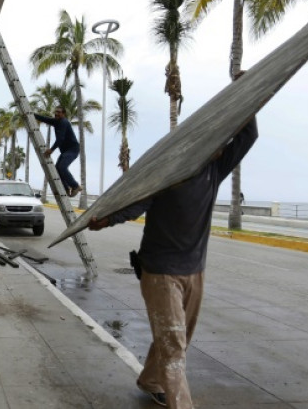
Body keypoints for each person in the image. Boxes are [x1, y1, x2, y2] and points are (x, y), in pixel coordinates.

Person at [89, 110, 258, 408]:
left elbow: (248, 136)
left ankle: (150, 380)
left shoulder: (213, 171)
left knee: (177, 339)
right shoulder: (168, 175)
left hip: (195, 271)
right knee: (174, 347)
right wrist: (107, 219)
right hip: (160, 273)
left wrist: (249, 95)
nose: (221, 146)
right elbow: (136, 204)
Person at [34, 106, 81, 197]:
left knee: (62, 167)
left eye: (59, 112)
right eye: (56, 112)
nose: (56, 113)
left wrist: (51, 149)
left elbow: (60, 139)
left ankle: (75, 186)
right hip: (65, 151)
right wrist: (32, 114)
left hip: (72, 149)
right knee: (57, 169)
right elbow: (44, 119)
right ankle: (66, 189)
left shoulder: (64, 122)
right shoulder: (56, 121)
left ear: (63, 114)